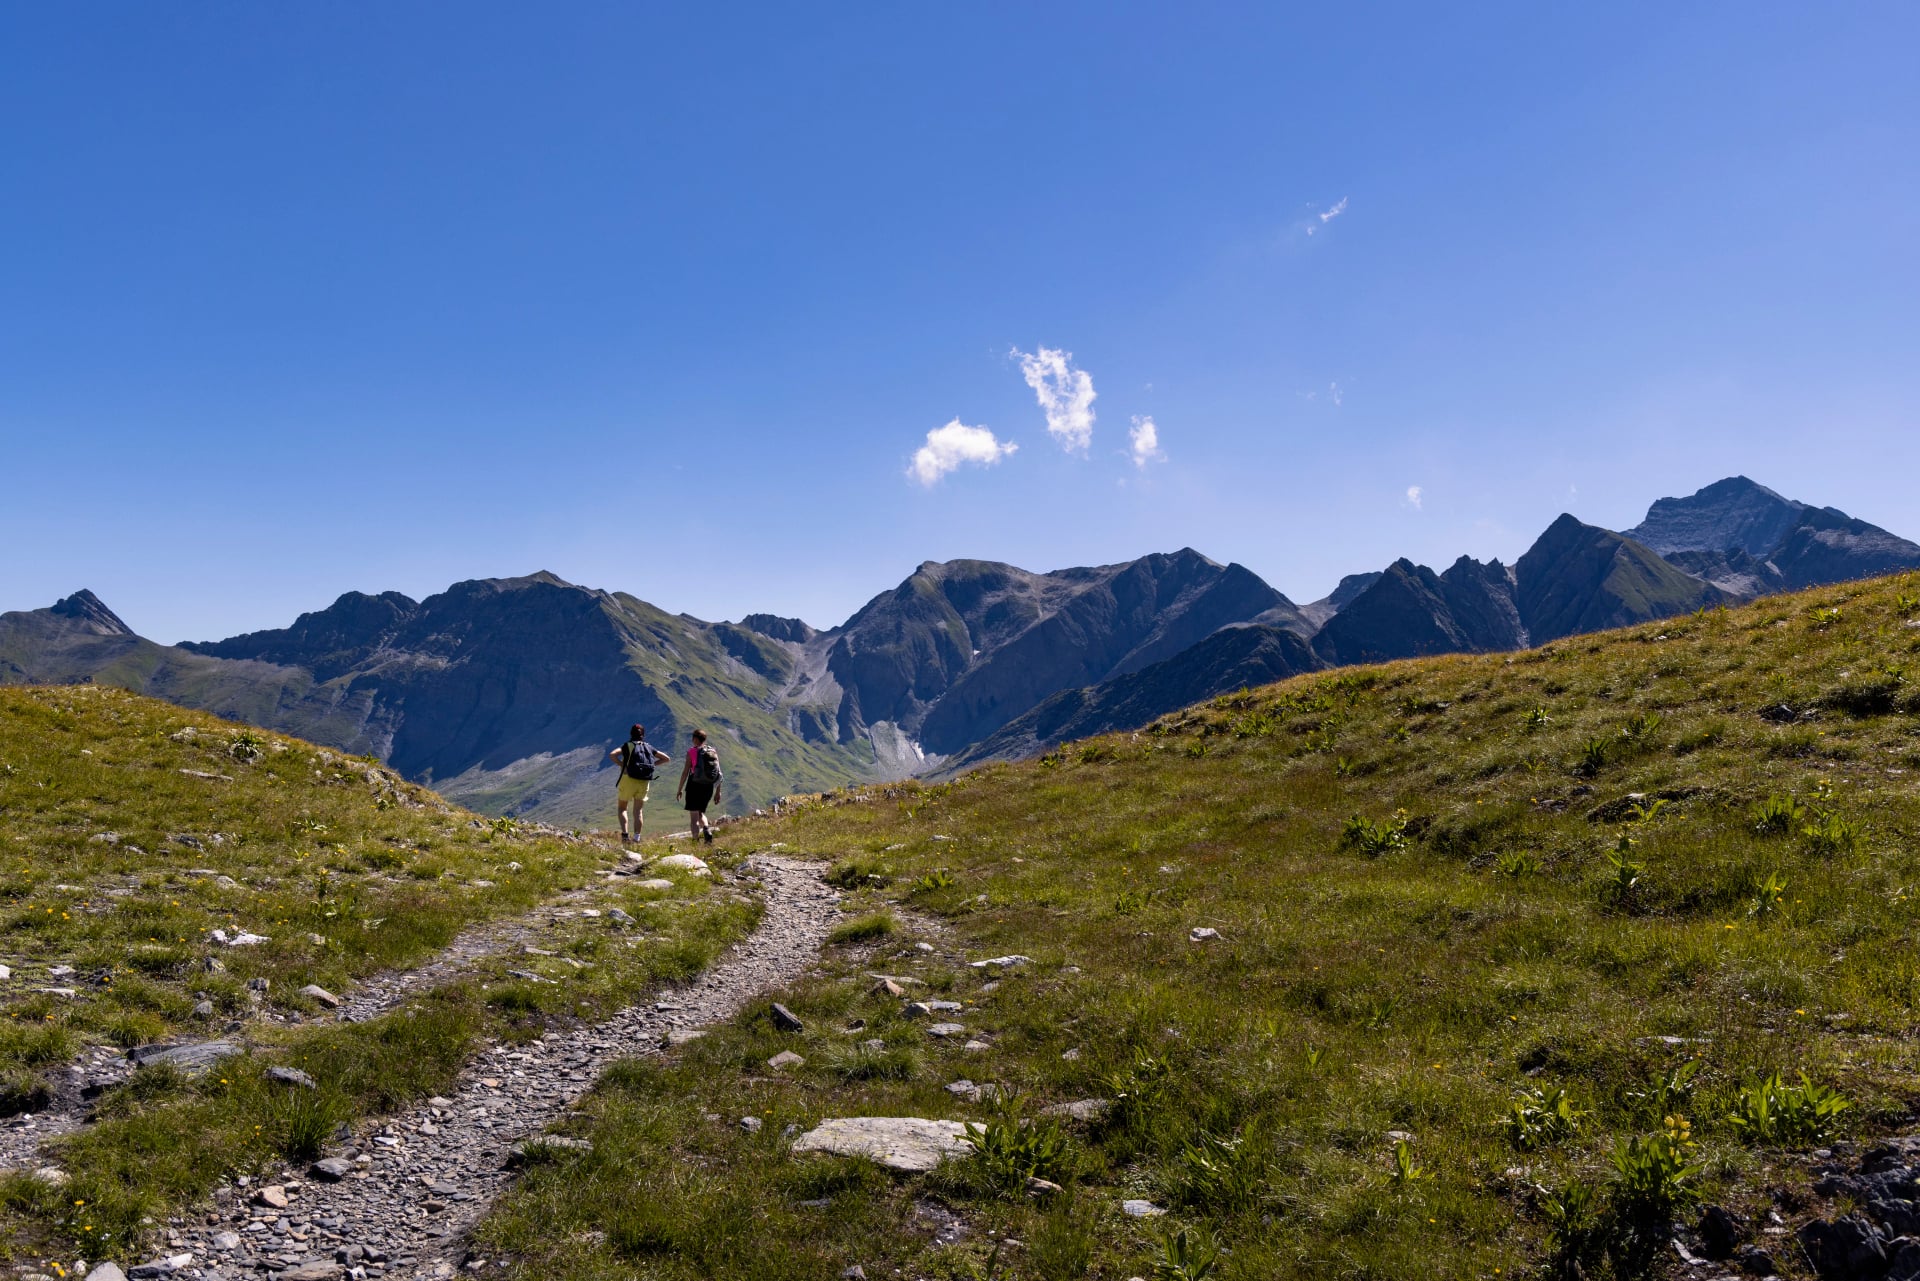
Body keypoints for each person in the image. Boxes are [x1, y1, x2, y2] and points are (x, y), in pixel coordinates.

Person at [607, 723, 669, 844]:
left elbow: (612, 754)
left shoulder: (627, 746)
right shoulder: (649, 747)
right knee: (638, 811)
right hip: (644, 781)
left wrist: (623, 765)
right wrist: (652, 765)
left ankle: (625, 836)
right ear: (643, 735)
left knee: (622, 808)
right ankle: (636, 838)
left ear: (631, 734)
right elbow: (666, 758)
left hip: (628, 779)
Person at [675, 728, 723, 844]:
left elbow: (686, 772)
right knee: (700, 812)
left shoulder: (692, 752)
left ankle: (695, 842)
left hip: (694, 784)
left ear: (695, 739)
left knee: (694, 817)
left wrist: (680, 789)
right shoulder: (713, 751)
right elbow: (719, 773)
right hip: (708, 787)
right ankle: (706, 829)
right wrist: (718, 791)